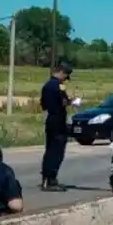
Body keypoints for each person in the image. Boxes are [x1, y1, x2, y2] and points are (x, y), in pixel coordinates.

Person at [40, 62, 74, 191]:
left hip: (50, 119)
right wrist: (72, 102)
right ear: (61, 72)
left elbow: (43, 104)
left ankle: (46, 178)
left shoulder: (47, 85)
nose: (65, 79)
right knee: (56, 150)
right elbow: (63, 102)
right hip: (57, 120)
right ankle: (50, 180)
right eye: (65, 76)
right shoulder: (57, 86)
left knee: (50, 150)